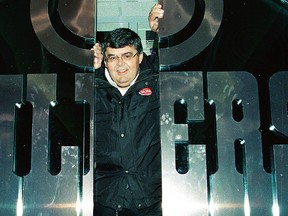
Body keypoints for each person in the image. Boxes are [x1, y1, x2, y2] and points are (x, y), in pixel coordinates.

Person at [92, 4, 164, 216]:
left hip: (151, 199)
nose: (120, 64)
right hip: (105, 200)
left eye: (127, 55)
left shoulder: (156, 81)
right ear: (105, 61)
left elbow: (171, 58)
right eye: (113, 57)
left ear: (140, 57)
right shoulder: (92, 88)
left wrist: (160, 30)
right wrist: (86, 69)